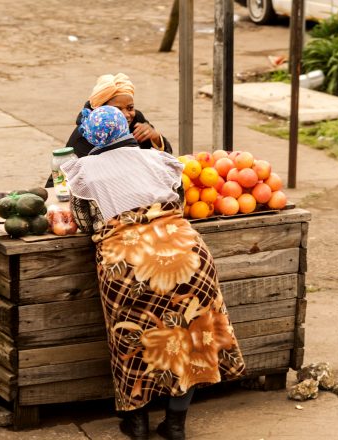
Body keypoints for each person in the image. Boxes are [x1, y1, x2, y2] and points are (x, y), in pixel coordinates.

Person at [61, 106, 245, 440]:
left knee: (133, 341)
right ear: (125, 130)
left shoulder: (84, 172)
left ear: (91, 138)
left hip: (128, 265)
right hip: (188, 256)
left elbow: (86, 223)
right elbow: (181, 206)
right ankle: (176, 424)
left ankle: (137, 422)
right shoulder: (160, 160)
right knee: (190, 339)